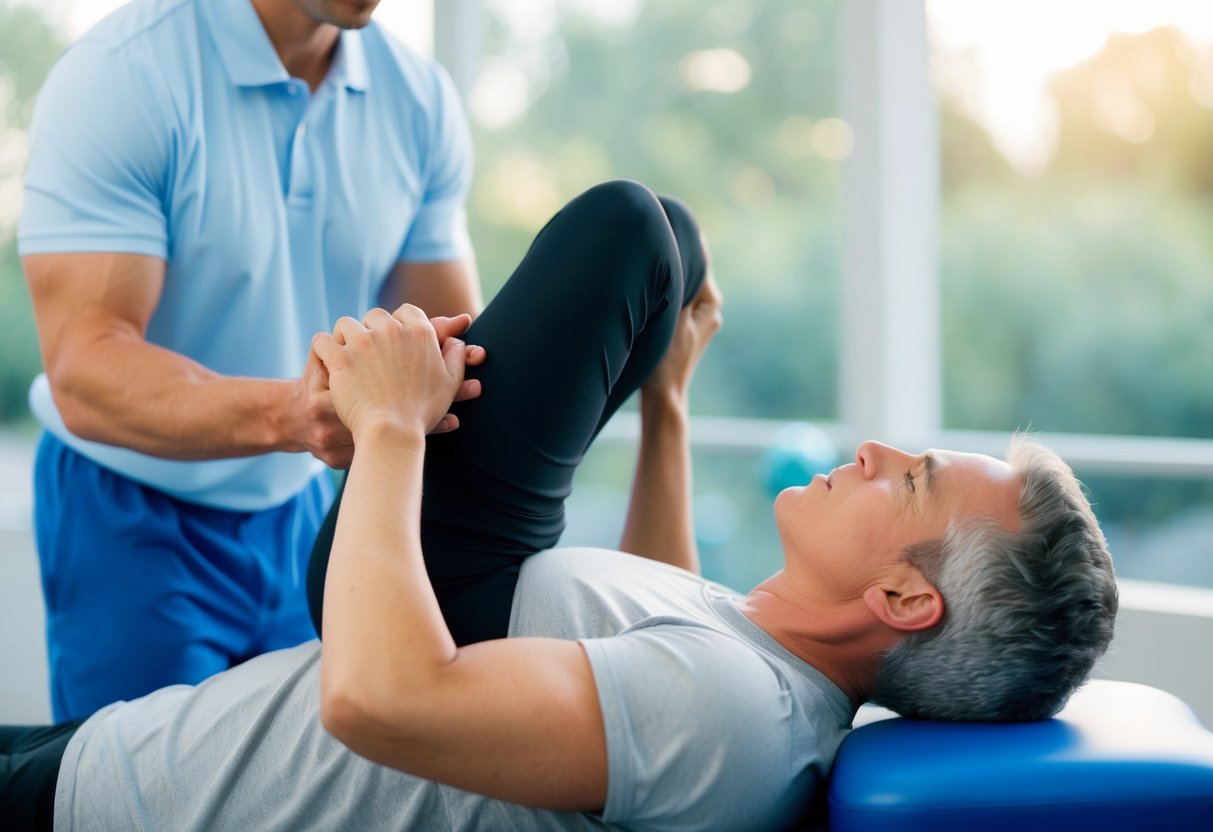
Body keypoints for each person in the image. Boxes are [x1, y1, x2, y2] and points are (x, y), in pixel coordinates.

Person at [0, 181, 1119, 832]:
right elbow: (661, 604)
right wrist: (666, 407)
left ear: (899, 597)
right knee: (668, 249)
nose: (872, 448)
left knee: (631, 235)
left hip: (110, 802)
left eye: (907, 475)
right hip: (126, 746)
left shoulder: (738, 713)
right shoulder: (755, 663)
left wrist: (389, 423)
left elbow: (377, 696)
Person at [17, 0, 483, 722]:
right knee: (150, 803)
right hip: (130, 509)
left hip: (303, 507)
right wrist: (295, 414)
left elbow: (449, 342)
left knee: (297, 796)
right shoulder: (121, 76)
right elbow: (87, 370)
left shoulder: (419, 100)